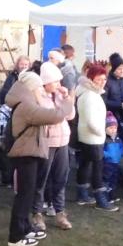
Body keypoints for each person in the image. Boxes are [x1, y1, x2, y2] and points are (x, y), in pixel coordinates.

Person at [4, 71, 71, 246]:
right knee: (24, 195)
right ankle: (16, 236)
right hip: (25, 154)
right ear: (31, 87)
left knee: (27, 193)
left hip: (29, 152)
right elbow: (55, 116)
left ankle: (25, 227)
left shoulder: (27, 102)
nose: (41, 90)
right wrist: (68, 100)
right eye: (39, 87)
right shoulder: (26, 105)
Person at [32, 62, 76, 232]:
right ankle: (37, 213)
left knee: (60, 178)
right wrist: (61, 111)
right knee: (41, 179)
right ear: (46, 82)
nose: (59, 84)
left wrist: (66, 98)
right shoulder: (38, 96)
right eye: (55, 81)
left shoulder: (59, 95)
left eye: (59, 81)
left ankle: (59, 212)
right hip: (47, 142)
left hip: (62, 141)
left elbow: (70, 115)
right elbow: (51, 116)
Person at [74, 63, 109, 207]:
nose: (102, 82)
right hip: (93, 137)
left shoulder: (90, 93)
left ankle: (82, 194)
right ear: (91, 79)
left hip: (88, 135)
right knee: (97, 168)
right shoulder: (90, 95)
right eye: (99, 79)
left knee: (85, 164)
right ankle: (100, 199)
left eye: (104, 79)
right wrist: (102, 132)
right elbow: (90, 120)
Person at [100, 113, 123, 211]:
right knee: (106, 179)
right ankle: (105, 196)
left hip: (116, 163)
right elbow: (101, 150)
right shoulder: (104, 140)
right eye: (110, 128)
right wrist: (107, 155)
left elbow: (122, 147)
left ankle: (112, 195)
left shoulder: (118, 139)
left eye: (115, 128)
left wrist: (121, 153)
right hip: (107, 163)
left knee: (114, 179)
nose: (113, 130)